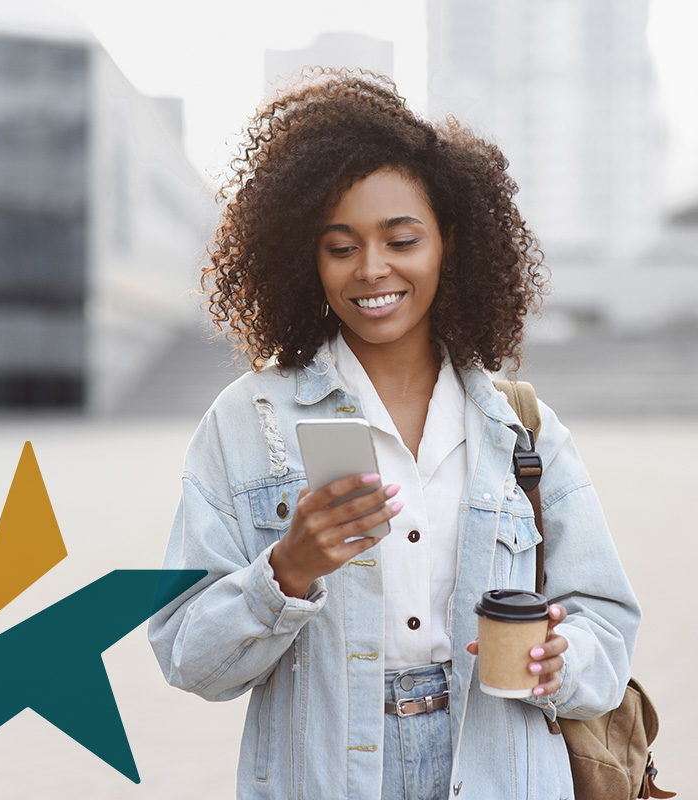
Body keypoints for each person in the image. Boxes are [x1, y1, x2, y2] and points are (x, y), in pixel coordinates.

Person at [148, 69, 641, 800]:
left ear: (450, 244)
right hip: (326, 775)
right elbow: (187, 655)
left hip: (499, 769)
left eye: (401, 239)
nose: (372, 269)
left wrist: (561, 660)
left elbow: (606, 621)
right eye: (340, 247)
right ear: (305, 260)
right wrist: (285, 572)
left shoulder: (522, 428)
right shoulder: (247, 422)